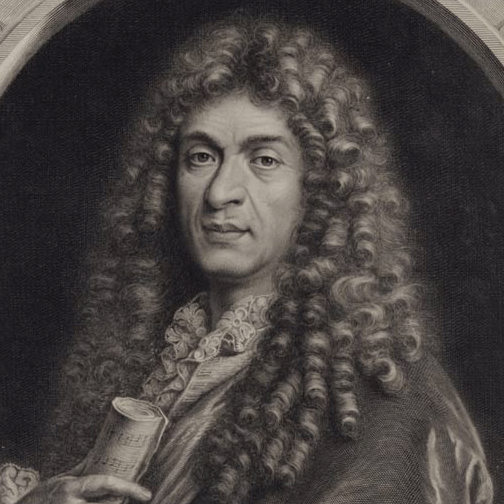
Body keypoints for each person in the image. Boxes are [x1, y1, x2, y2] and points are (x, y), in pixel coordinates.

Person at [0, 14, 493, 504]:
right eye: (201, 156)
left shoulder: (383, 394)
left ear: (319, 189)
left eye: (264, 160)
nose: (220, 193)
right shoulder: (167, 359)